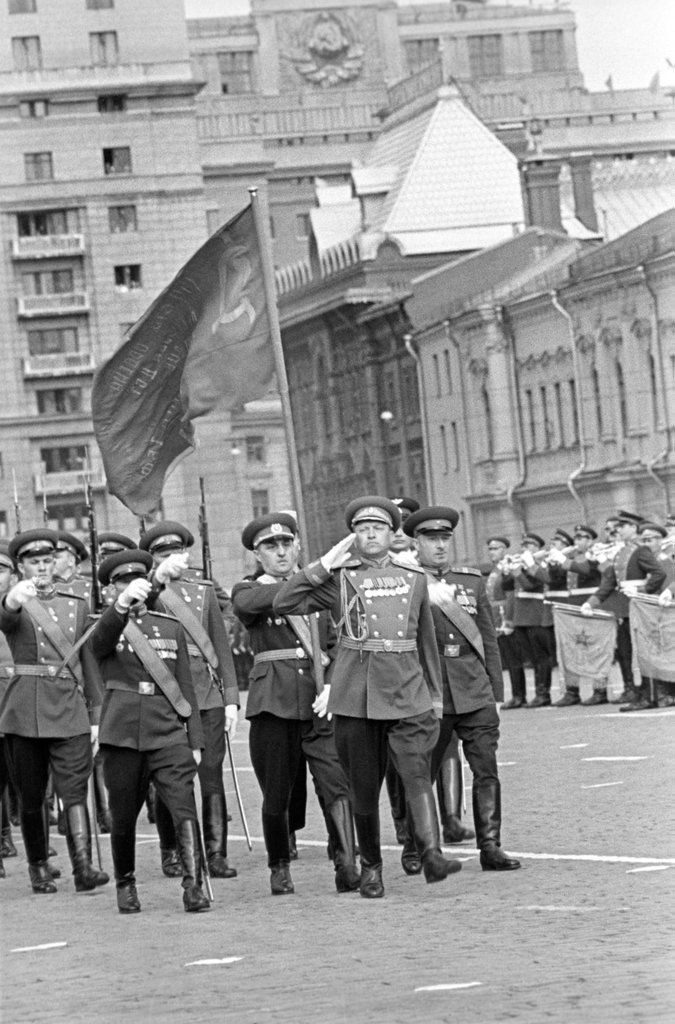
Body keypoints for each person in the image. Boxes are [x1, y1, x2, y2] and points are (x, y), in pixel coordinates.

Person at [273, 496, 462, 898]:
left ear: (392, 533)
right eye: (361, 529)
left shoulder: (413, 579)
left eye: (377, 528)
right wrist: (323, 564)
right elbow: (284, 601)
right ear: (352, 537)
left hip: (407, 691)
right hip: (357, 696)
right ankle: (371, 867)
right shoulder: (339, 579)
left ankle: (430, 852)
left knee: (415, 775)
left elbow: (426, 641)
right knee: (363, 788)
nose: (370, 534)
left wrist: (435, 700)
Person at [232, 512, 360, 896]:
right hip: (275, 704)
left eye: (287, 544)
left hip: (319, 702)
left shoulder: (325, 590)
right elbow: (267, 601)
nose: (281, 552)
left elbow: (342, 642)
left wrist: (334, 685)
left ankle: (347, 862)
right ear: (258, 554)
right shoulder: (247, 590)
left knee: (336, 785)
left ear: (297, 546)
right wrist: (320, 570)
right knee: (277, 792)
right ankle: (279, 865)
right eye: (271, 547)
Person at [89, 548, 209, 914]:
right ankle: (125, 883)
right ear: (111, 590)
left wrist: (195, 738)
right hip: (123, 734)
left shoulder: (169, 626)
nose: (132, 586)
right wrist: (122, 606)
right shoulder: (103, 624)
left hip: (167, 730)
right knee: (124, 816)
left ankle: (194, 886)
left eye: (136, 579)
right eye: (122, 582)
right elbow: (98, 647)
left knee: (184, 807)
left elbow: (185, 685)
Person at [402, 507, 521, 871]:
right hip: (431, 693)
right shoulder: (407, 582)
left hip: (475, 689)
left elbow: (487, 639)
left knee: (486, 769)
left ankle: (490, 846)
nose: (439, 546)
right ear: (415, 543)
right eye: (430, 539)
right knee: (423, 772)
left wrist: (496, 693)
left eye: (444, 539)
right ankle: (415, 845)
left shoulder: (470, 581)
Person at [0, 529, 107, 895]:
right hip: (26, 710)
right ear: (20, 567)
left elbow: (88, 661)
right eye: (34, 562)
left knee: (75, 789)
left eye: (47, 560)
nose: (42, 567)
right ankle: (39, 866)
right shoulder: (14, 600)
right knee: (32, 798)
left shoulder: (76, 602)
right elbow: (5, 620)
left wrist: (95, 716)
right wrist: (12, 600)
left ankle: (83, 868)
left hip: (68, 707)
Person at [139, 521, 239, 881]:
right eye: (163, 555)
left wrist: (230, 698)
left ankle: (215, 853)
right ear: (152, 559)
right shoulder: (145, 592)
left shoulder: (203, 590)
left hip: (206, 693)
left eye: (176, 553)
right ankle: (173, 851)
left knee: (211, 773)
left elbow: (221, 647)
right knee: (171, 779)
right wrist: (155, 581)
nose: (172, 559)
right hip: (168, 695)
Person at [581, 510, 666, 711]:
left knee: (639, 654)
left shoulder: (639, 550)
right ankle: (638, 693)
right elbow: (609, 581)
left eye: (622, 526)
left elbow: (658, 573)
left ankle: (647, 695)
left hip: (638, 609)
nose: (617, 530)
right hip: (624, 611)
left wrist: (640, 589)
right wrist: (591, 603)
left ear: (633, 528)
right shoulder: (622, 552)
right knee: (627, 654)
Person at [546, 525, 605, 706]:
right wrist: (554, 559)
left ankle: (600, 690)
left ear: (590, 540)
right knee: (571, 650)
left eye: (583, 538)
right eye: (577, 538)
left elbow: (585, 570)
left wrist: (563, 558)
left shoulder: (594, 555)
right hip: (572, 607)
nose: (579, 541)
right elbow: (553, 576)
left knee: (595, 649)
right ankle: (572, 691)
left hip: (590, 605)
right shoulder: (571, 557)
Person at [501, 532, 555, 707]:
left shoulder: (539, 564)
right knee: (531, 658)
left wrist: (518, 573)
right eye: (524, 546)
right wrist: (506, 571)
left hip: (536, 615)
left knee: (542, 657)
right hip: (521, 617)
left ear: (538, 548)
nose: (525, 549)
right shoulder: (523, 565)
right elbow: (507, 586)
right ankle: (534, 694)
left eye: (530, 546)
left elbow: (531, 585)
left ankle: (543, 693)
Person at [484, 536, 525, 708]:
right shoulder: (495, 569)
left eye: (496, 548)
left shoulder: (507, 568)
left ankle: (519, 695)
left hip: (504, 616)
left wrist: (508, 620)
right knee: (506, 659)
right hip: (495, 617)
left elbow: (510, 596)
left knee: (513, 659)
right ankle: (515, 694)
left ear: (504, 549)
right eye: (491, 549)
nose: (492, 552)